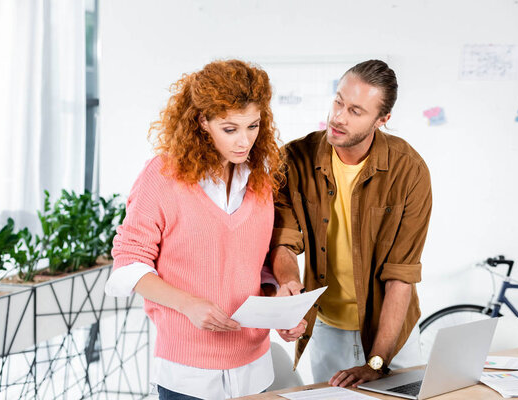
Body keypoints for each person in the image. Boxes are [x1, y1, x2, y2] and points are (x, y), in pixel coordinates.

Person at [104, 60, 288, 400]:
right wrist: (188, 304)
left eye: (253, 126)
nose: (244, 141)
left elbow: (257, 264)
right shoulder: (162, 176)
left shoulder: (261, 181)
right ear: (202, 121)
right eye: (230, 129)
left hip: (255, 368)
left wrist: (278, 306)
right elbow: (128, 263)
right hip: (186, 375)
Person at [271, 59, 432, 388]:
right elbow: (284, 241)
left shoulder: (409, 171)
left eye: (356, 111)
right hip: (328, 327)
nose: (338, 117)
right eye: (338, 101)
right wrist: (289, 295)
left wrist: (376, 361)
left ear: (382, 120)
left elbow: (400, 276)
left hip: (393, 331)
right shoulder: (294, 159)